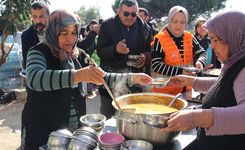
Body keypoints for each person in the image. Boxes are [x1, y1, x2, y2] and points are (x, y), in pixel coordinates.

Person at [21, 10, 152, 150]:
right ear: (53, 32)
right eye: (64, 33)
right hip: (42, 130)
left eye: (73, 33)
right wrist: (78, 75)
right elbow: (35, 78)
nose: (70, 39)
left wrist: (132, 78)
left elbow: (101, 77)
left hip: (72, 132)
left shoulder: (78, 54)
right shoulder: (38, 52)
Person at [161, 10, 245, 150]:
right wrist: (191, 81)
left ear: (234, 36)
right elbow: (225, 85)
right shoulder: (236, 61)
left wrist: (196, 118)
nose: (212, 46)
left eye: (215, 40)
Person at [97, 0, 152, 118]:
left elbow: (150, 50)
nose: (130, 17)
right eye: (126, 13)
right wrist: (115, 49)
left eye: (133, 14)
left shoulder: (144, 27)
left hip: (135, 82)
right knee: (110, 118)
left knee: (133, 118)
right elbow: (100, 51)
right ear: (118, 12)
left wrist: (145, 56)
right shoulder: (107, 25)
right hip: (111, 82)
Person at [151, 6, 207, 99]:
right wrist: (181, 72)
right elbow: (156, 65)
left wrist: (200, 62)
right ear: (169, 21)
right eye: (175, 22)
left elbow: (202, 53)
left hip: (186, 91)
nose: (179, 25)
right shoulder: (160, 39)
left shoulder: (190, 37)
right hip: (164, 93)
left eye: (182, 22)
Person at [21, 1, 50, 71]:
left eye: (41, 16)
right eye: (35, 17)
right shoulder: (26, 35)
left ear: (48, 16)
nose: (38, 21)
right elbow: (26, 62)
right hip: (38, 72)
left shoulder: (57, 30)